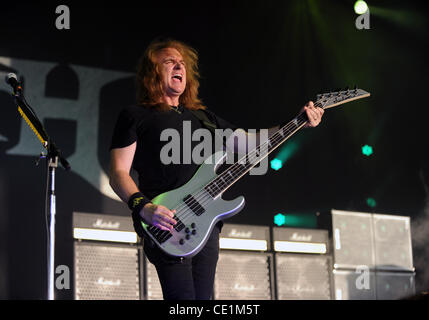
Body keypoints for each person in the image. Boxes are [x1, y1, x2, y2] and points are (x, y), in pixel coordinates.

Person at [109, 38, 324, 300]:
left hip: (205, 226)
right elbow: (119, 172)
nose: (179, 66)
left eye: (182, 63)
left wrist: (298, 122)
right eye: (169, 62)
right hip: (165, 222)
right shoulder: (135, 116)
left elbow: (250, 143)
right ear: (152, 71)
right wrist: (144, 207)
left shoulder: (204, 118)